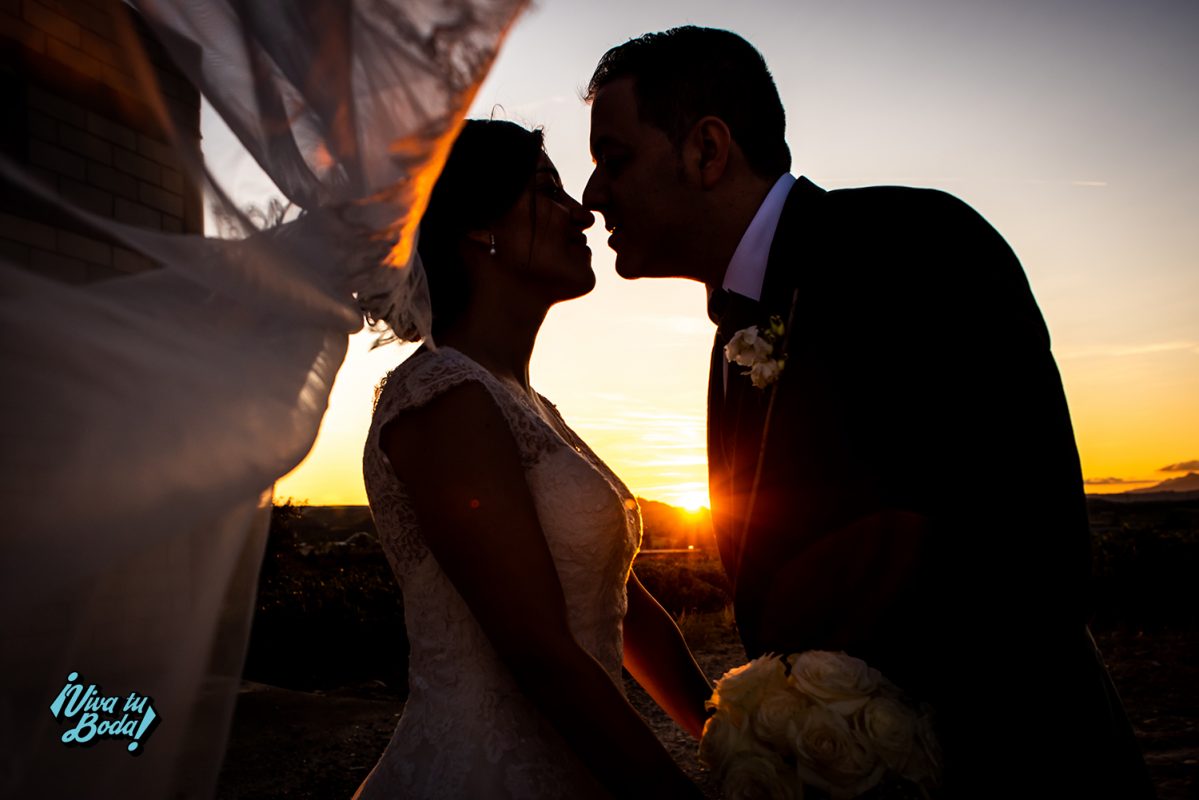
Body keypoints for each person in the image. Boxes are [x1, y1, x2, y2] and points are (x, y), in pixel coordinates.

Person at [581, 26, 1154, 797]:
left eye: (612, 160)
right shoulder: (731, 334)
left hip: (1015, 764)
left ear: (707, 151)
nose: (591, 195)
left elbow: (1029, 539)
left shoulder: (914, 244)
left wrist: (879, 743)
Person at [356, 119, 710, 800]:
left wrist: (733, 729)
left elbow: (616, 598)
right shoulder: (443, 396)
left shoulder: (526, 402)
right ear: (475, 225)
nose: (581, 211)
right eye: (546, 191)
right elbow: (538, 652)